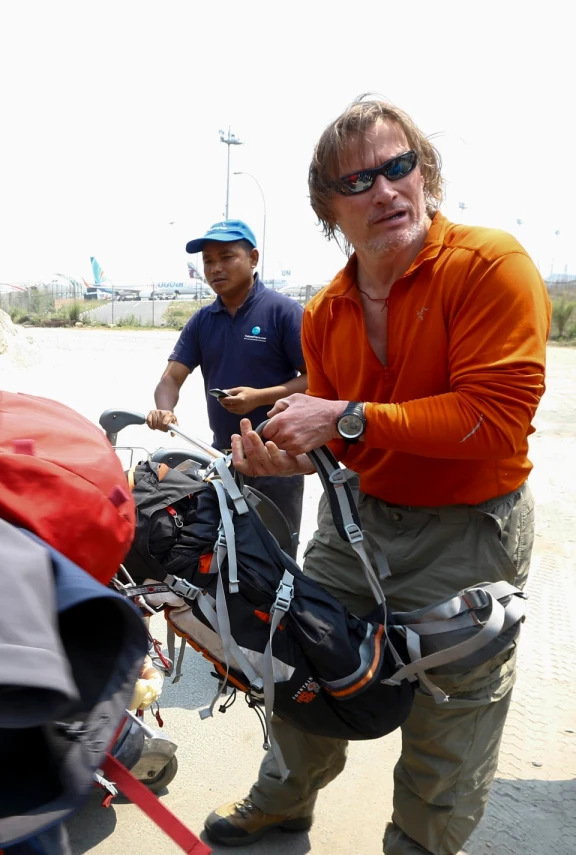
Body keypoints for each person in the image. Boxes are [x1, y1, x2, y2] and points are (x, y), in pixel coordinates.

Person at [212, 98, 549, 855]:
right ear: (329, 208)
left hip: (470, 527)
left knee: (450, 705)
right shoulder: (328, 311)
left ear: (425, 174)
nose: (386, 190)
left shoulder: (491, 266)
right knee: (304, 659)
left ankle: (419, 845)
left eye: (399, 166)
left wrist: (344, 416)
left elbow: (495, 420)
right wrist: (290, 455)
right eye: (358, 180)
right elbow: (344, 448)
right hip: (359, 514)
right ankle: (281, 802)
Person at [146, 219, 309, 550]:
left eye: (226, 257)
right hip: (222, 456)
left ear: (253, 258)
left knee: (277, 554)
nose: (214, 268)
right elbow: (170, 378)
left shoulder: (284, 313)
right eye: (207, 261)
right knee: (224, 555)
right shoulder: (203, 321)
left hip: (278, 457)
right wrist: (165, 410)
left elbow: (318, 380)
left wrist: (259, 397)